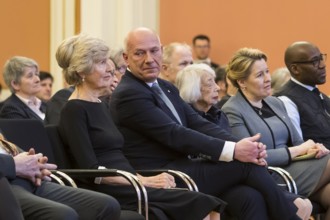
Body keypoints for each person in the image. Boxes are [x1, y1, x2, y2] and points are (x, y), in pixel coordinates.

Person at [110, 27, 303, 220]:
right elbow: (175, 134)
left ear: (161, 50)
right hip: (162, 175)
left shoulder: (166, 86)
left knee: (249, 197)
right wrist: (236, 151)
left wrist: (243, 146)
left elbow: (197, 123)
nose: (149, 59)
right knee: (247, 165)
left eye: (154, 51)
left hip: (185, 167)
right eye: (139, 53)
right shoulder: (129, 93)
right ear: (126, 58)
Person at [57, 33, 225, 220]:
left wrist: (140, 178)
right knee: (202, 203)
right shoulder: (73, 110)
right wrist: (143, 180)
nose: (111, 69)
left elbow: (118, 157)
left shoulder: (99, 103)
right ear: (82, 71)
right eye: (102, 63)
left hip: (130, 180)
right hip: (112, 188)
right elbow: (91, 170)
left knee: (207, 203)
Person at [176, 63, 313, 219]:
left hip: (235, 177)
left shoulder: (219, 114)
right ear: (192, 88)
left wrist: (255, 150)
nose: (218, 87)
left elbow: (235, 146)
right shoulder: (186, 117)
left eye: (215, 82)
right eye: (209, 83)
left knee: (254, 196)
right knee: (251, 187)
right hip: (209, 179)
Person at [221, 47, 330, 219]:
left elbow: (298, 141)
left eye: (267, 71)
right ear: (242, 82)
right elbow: (251, 157)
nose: (267, 79)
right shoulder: (232, 110)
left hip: (296, 169)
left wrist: (313, 148)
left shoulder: (275, 103)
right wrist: (296, 151)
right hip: (268, 175)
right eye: (259, 75)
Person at [0, 134, 121, 220]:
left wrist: (34, 164)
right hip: (5, 182)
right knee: (63, 215)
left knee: (107, 205)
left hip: (29, 178)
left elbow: (6, 147)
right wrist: (13, 165)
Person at [274, 41, 330, 148]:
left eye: (321, 58)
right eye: (315, 61)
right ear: (295, 69)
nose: (323, 65)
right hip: (317, 160)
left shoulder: (322, 96)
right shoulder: (285, 99)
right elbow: (298, 145)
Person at [0, 56, 46, 120]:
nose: (37, 79)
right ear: (15, 84)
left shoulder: (45, 105)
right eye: (30, 76)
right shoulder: (11, 109)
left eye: (37, 74)